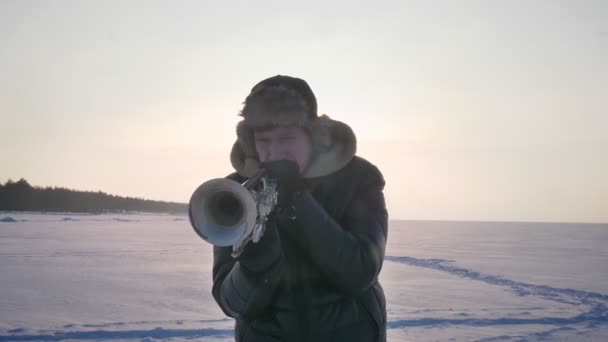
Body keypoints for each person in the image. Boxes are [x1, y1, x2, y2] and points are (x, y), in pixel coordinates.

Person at [212, 75, 389, 342]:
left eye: (286, 139)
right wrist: (254, 264)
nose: (274, 152)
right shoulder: (235, 192)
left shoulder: (358, 178)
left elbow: (360, 272)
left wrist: (296, 201)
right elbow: (231, 303)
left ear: (313, 137)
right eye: (264, 141)